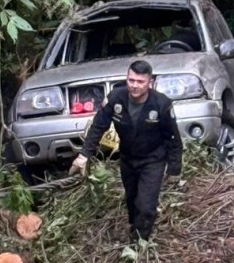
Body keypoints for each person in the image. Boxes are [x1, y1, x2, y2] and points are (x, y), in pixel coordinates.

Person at [70, 60, 183, 241]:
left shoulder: (161, 104)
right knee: (132, 201)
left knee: (145, 206)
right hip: (128, 159)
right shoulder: (116, 98)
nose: (135, 85)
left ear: (150, 82)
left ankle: (140, 244)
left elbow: (173, 137)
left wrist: (174, 168)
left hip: (153, 160)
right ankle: (134, 229)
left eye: (140, 82)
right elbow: (98, 126)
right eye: (131, 80)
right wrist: (84, 155)